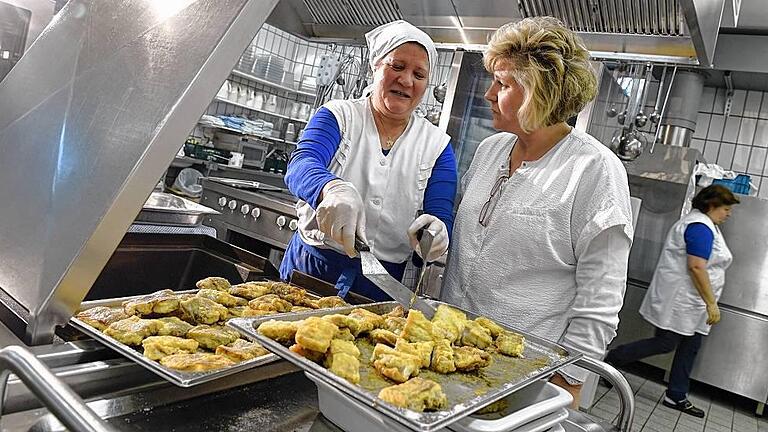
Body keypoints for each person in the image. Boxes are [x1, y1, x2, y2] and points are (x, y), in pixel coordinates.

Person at [440, 16, 634, 405]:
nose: (488, 94)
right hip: (447, 353)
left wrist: (568, 382)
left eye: (504, 83)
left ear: (539, 92)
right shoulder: (490, 150)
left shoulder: (593, 170)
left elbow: (600, 300)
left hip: (523, 373)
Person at [280, 20, 458, 301]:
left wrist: (435, 232)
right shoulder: (339, 116)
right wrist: (332, 188)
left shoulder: (437, 145)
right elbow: (302, 163)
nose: (406, 80)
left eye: (419, 74)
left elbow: (440, 213)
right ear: (376, 66)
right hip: (313, 268)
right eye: (397, 67)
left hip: (381, 286)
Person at [605, 185, 738, 418]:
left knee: (690, 345)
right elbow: (696, 266)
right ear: (711, 206)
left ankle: (676, 395)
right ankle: (612, 360)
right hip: (683, 300)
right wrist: (711, 303)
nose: (729, 214)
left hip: (692, 302)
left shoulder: (708, 226)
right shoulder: (699, 227)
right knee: (666, 342)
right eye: (726, 208)